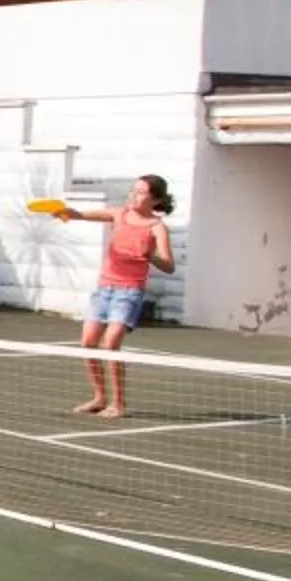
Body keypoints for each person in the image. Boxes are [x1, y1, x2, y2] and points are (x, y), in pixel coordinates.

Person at [55, 175, 175, 417]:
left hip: (129, 291)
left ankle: (118, 404)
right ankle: (99, 397)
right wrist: (66, 212)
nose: (134, 195)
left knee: (110, 344)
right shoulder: (119, 214)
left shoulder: (157, 227)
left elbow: (169, 265)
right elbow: (80, 215)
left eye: (141, 192)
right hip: (104, 288)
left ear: (156, 199)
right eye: (133, 190)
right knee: (88, 343)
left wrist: (150, 255)